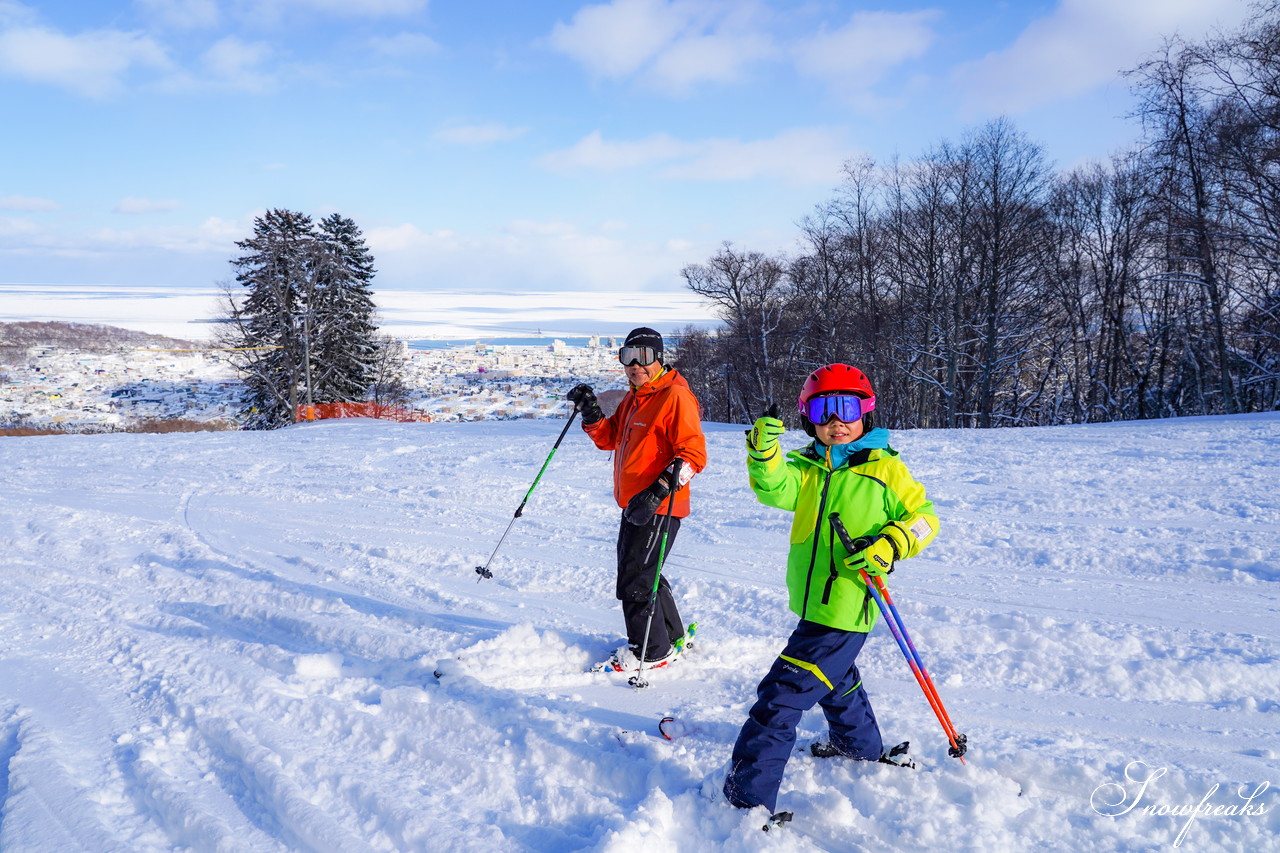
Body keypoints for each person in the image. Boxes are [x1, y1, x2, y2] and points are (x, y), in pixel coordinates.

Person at [722, 363, 939, 816]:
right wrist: (764, 453)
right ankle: (858, 746)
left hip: (845, 608)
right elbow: (773, 488)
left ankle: (746, 802)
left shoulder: (886, 470)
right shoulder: (806, 468)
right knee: (835, 679)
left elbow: (925, 519)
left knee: (780, 698)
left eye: (847, 408)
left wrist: (889, 545)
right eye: (824, 410)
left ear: (866, 412)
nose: (836, 421)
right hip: (813, 604)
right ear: (808, 418)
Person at [566, 327, 707, 672]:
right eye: (628, 357)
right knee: (647, 573)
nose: (635, 365)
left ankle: (650, 652)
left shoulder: (674, 396)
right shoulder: (635, 397)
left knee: (635, 580)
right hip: (635, 504)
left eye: (643, 357)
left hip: (658, 506)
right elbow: (609, 438)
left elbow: (693, 456)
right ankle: (671, 637)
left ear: (659, 358)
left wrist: (656, 492)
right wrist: (591, 413)